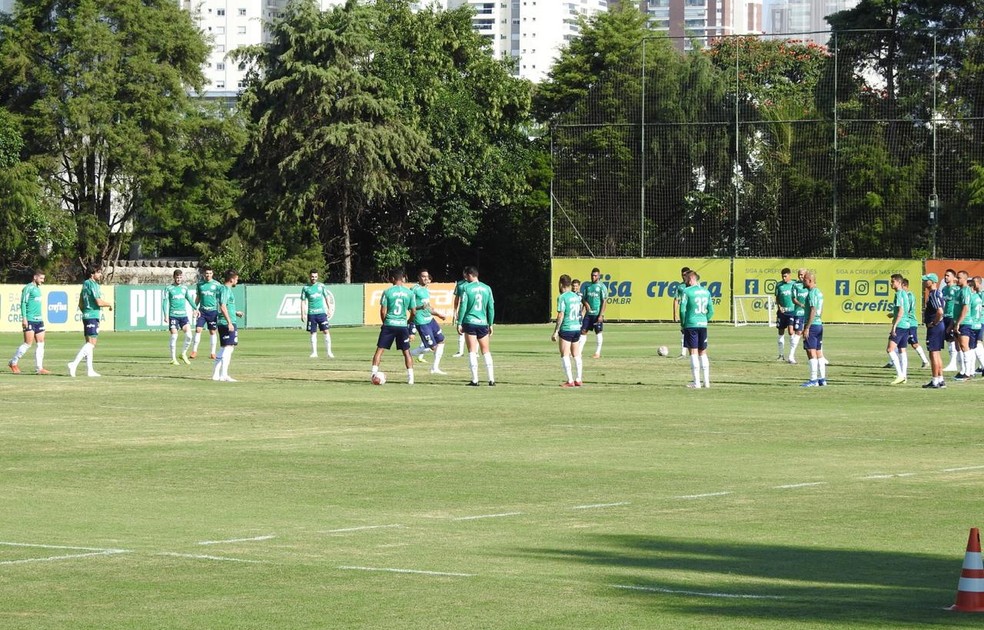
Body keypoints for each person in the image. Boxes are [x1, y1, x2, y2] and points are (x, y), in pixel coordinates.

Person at [371, 270, 416, 385]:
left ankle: (373, 374)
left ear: (392, 279)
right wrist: (408, 322)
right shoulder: (410, 293)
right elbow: (414, 312)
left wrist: (384, 322)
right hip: (402, 325)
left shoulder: (387, 292)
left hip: (389, 324)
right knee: (406, 352)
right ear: (403, 278)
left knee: (380, 350)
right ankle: (411, 378)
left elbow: (382, 311)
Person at [68, 265, 113, 378]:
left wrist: (85, 312)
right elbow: (98, 302)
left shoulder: (85, 284)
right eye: (98, 272)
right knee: (91, 344)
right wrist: (109, 304)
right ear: (92, 274)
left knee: (89, 343)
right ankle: (74, 364)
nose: (100, 275)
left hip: (87, 315)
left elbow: (80, 303)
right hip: (92, 315)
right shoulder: (93, 284)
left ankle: (90, 370)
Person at [457, 265, 496, 386]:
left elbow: (463, 306)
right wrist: (490, 323)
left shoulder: (466, 288)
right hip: (483, 322)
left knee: (472, 351)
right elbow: (491, 308)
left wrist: (459, 322)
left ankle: (475, 380)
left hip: (470, 322)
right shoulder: (487, 288)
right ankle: (491, 379)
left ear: (469, 275)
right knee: (486, 351)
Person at [8, 270, 50, 374]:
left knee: (41, 344)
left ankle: (39, 368)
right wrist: (24, 318)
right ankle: (13, 362)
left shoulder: (37, 289)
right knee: (28, 343)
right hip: (30, 319)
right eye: (41, 278)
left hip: (39, 319)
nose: (42, 281)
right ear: (35, 277)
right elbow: (23, 303)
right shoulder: (28, 288)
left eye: (43, 279)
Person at [408, 269, 448, 375]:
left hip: (430, 319)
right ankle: (410, 353)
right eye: (423, 276)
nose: (426, 278)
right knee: (433, 347)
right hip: (421, 322)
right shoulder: (414, 289)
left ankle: (435, 368)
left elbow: (428, 307)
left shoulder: (425, 290)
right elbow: (409, 306)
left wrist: (439, 314)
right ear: (418, 277)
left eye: (427, 276)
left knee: (441, 341)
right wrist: (420, 307)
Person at [678, 270, 714, 388]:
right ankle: (707, 382)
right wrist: (704, 319)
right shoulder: (706, 291)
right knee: (703, 352)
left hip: (691, 324)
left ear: (691, 279)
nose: (686, 282)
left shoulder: (687, 291)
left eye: (687, 279)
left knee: (693, 352)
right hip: (703, 325)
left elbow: (682, 309)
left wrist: (683, 323)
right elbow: (711, 311)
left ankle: (696, 383)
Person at [552, 274, 584, 387]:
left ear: (561, 284)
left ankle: (570, 380)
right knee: (576, 355)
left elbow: (560, 315)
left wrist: (556, 331)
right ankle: (579, 379)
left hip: (567, 328)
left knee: (565, 354)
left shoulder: (562, 297)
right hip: (577, 328)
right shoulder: (576, 296)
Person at [212, 269, 243, 382]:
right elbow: (222, 306)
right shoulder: (225, 289)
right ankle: (224, 375)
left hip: (227, 320)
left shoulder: (224, 289)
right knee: (228, 348)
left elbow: (227, 306)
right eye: (236, 279)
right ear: (231, 279)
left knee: (225, 348)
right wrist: (229, 322)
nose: (237, 281)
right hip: (226, 323)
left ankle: (216, 374)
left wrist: (235, 312)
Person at [163, 269, 196, 365]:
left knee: (189, 336)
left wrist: (195, 308)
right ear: (174, 278)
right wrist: (165, 315)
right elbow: (165, 302)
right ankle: (173, 359)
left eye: (180, 277)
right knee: (174, 336)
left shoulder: (184, 288)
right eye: (177, 277)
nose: (179, 279)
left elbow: (189, 299)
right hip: (173, 316)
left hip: (183, 316)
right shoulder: (169, 288)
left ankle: (183, 354)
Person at [300, 269, 335, 359]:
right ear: (309, 276)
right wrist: (302, 313)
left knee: (326, 331)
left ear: (317, 277)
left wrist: (329, 308)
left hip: (321, 313)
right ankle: (314, 353)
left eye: (315, 277)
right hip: (311, 314)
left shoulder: (321, 286)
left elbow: (327, 297)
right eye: (312, 276)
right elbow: (303, 301)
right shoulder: (305, 288)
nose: (314, 278)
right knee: (313, 333)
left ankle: (329, 352)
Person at [800, 271, 827, 386]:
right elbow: (821, 308)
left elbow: (813, 309)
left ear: (810, 281)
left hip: (812, 325)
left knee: (811, 353)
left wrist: (807, 327)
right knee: (819, 352)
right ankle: (822, 379)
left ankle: (813, 380)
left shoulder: (811, 293)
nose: (803, 281)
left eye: (805, 279)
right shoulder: (819, 292)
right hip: (819, 324)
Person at [947, 270, 974, 381]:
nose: (957, 279)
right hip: (957, 322)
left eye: (959, 278)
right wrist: (952, 323)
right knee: (959, 347)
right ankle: (962, 371)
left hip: (965, 322)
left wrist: (958, 323)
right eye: (957, 277)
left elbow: (965, 308)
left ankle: (968, 373)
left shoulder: (966, 291)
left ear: (965, 279)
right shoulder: (958, 291)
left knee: (964, 346)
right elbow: (956, 309)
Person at [921, 273, 946, 388]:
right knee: (937, 353)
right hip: (939, 327)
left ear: (932, 282)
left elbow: (940, 311)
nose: (925, 282)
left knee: (933, 354)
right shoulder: (938, 293)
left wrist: (934, 323)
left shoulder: (934, 294)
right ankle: (940, 380)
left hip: (935, 328)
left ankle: (935, 380)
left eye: (927, 280)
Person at [192, 266, 221, 360]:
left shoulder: (217, 285)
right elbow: (198, 298)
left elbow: (220, 298)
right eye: (206, 273)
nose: (208, 275)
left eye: (210, 273)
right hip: (202, 311)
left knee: (212, 331)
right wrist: (194, 308)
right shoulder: (200, 284)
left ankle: (213, 353)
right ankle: (194, 351)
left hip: (212, 311)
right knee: (198, 329)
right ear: (204, 274)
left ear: (212, 274)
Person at [886, 273, 911, 385]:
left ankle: (900, 375)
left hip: (900, 325)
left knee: (890, 349)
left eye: (893, 282)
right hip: (906, 324)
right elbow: (906, 310)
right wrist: (894, 314)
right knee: (902, 350)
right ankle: (904, 376)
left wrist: (894, 326)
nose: (891, 284)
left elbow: (901, 310)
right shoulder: (905, 294)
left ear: (899, 282)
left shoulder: (899, 294)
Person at [579, 267, 608, 359]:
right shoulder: (587, 286)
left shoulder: (602, 287)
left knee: (598, 332)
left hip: (597, 314)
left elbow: (604, 301)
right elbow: (583, 298)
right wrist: (586, 304)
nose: (593, 277)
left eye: (595, 275)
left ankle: (597, 352)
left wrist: (601, 315)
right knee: (583, 331)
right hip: (588, 314)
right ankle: (579, 352)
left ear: (599, 276)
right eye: (592, 275)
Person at [902, 278, 930, 369]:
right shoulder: (903, 295)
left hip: (910, 322)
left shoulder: (909, 296)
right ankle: (892, 361)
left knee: (914, 343)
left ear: (904, 285)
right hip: (904, 322)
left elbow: (908, 309)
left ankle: (925, 361)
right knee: (897, 341)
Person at [774, 267, 796, 361]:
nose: (784, 278)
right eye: (782, 276)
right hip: (782, 313)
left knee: (791, 331)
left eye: (785, 276)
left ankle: (791, 355)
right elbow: (777, 298)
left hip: (791, 312)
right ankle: (781, 355)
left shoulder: (794, 284)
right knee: (780, 332)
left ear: (789, 275)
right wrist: (779, 306)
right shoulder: (779, 285)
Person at [787, 268, 809, 364]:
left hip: (809, 313)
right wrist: (801, 305)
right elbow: (793, 299)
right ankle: (791, 356)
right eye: (799, 274)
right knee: (798, 332)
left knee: (812, 332)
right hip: (799, 312)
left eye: (802, 274)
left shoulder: (809, 285)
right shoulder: (795, 285)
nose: (800, 276)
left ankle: (820, 356)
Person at [941, 269, 960, 371]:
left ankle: (954, 364)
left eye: (948, 275)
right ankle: (953, 363)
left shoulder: (956, 290)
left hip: (953, 317)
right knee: (948, 340)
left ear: (953, 277)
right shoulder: (944, 289)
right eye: (945, 275)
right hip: (945, 316)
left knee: (954, 340)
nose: (945, 277)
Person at [672, 266, 691, 357]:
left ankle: (699, 352)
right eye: (682, 275)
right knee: (684, 331)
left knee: (695, 331)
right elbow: (676, 300)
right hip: (684, 312)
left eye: (685, 274)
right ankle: (683, 353)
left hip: (693, 312)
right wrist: (675, 313)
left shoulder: (695, 285)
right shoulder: (680, 287)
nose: (684, 276)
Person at [451, 270, 469, 358]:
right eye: (464, 273)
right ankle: (460, 351)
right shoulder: (460, 284)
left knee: (474, 330)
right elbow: (457, 299)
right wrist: (455, 310)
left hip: (471, 310)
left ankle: (476, 352)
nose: (465, 274)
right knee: (461, 330)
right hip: (462, 310)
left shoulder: (474, 284)